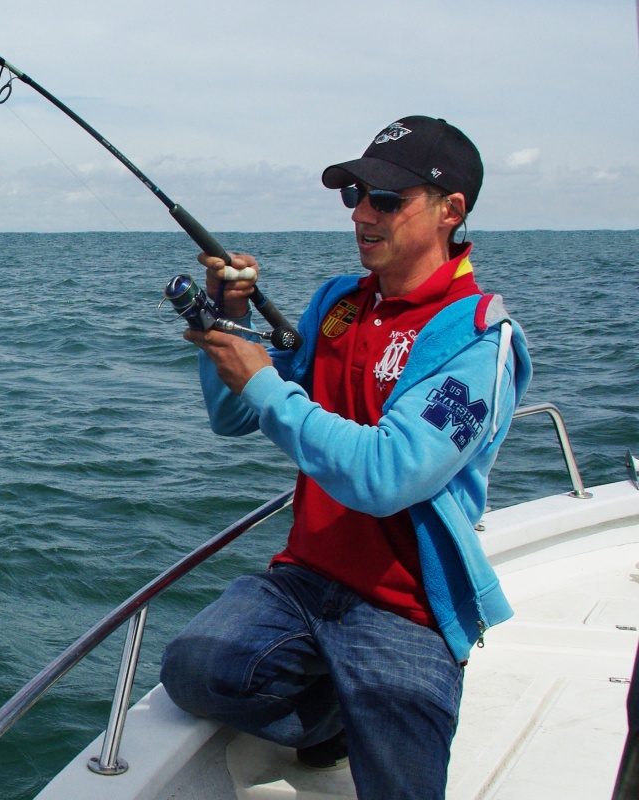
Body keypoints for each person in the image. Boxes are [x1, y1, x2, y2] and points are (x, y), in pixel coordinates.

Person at [158, 116, 532, 800]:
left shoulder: (480, 339)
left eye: (386, 200)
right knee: (192, 669)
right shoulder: (338, 303)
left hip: (408, 606)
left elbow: (387, 475)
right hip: (307, 579)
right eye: (355, 195)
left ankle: (356, 703)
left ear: (451, 211)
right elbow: (235, 415)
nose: (362, 213)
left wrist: (265, 380)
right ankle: (330, 717)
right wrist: (228, 316)